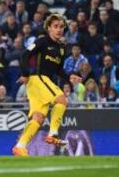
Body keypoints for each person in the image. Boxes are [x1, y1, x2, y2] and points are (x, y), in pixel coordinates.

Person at [12, 13, 82, 156]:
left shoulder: (62, 48)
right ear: (49, 28)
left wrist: (70, 77)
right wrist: (25, 73)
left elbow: (58, 70)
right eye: (55, 26)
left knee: (38, 118)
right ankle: (53, 134)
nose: (59, 30)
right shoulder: (42, 41)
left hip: (42, 83)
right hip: (38, 79)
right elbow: (24, 55)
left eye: (61, 27)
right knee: (62, 100)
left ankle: (20, 146)